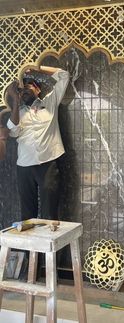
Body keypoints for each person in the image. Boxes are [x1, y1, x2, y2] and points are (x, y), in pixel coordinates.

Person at [6, 66, 70, 221]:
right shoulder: (18, 113)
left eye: (29, 86)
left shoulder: (50, 103)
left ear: (38, 90)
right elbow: (13, 130)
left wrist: (36, 67)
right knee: (27, 215)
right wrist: (15, 101)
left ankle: (50, 245)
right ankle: (31, 246)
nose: (24, 90)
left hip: (47, 165)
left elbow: (64, 75)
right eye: (21, 90)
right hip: (24, 167)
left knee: (50, 213)